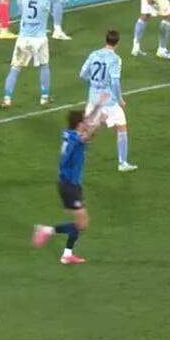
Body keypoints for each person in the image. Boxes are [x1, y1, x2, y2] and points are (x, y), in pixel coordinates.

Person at [32, 106, 108, 265]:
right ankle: (47, 230)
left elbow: (87, 134)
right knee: (82, 223)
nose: (87, 122)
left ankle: (67, 254)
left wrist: (98, 114)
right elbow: (86, 136)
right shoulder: (76, 138)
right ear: (79, 124)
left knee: (80, 224)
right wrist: (99, 122)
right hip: (69, 185)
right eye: (85, 120)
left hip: (69, 184)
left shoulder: (68, 133)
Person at [80, 30, 135, 172]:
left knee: (90, 128)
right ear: (117, 43)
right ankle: (122, 163)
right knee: (121, 126)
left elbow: (82, 74)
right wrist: (120, 99)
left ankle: (76, 153)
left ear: (106, 40)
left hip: (93, 97)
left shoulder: (94, 54)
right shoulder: (115, 59)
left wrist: (93, 84)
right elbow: (115, 82)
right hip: (108, 99)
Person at [0, 0, 57, 108]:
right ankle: (44, 97)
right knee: (44, 66)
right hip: (39, 39)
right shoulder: (49, 0)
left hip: (23, 38)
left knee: (15, 69)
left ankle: (7, 99)